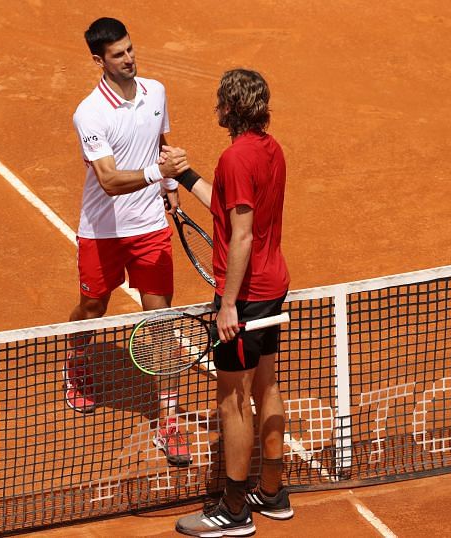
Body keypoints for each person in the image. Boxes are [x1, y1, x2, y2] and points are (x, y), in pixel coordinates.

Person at [66, 17, 193, 466]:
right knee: (93, 307)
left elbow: (160, 140)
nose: (129, 59)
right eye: (118, 54)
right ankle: (77, 361)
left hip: (150, 230)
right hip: (101, 232)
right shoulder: (90, 114)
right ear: (99, 61)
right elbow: (107, 179)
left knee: (160, 323)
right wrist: (162, 174)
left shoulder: (155, 92)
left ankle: (169, 421)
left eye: (131, 49)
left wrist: (170, 189)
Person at [174, 69, 293, 536]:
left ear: (228, 108)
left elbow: (240, 235)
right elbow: (229, 207)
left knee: (232, 400)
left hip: (246, 296)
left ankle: (234, 510)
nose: (216, 109)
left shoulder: (235, 158)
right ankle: (272, 492)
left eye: (218, 103)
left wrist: (227, 305)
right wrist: (183, 174)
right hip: (273, 284)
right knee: (266, 384)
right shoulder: (271, 150)